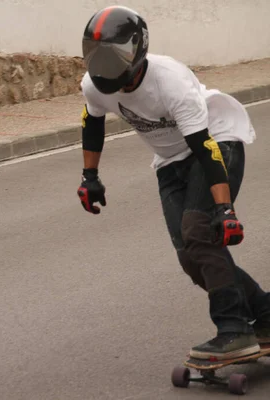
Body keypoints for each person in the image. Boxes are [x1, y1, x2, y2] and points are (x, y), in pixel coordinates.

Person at [76, 5, 270, 360]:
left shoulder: (171, 81)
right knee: (190, 257)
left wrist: (224, 209)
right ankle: (266, 313)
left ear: (137, 49)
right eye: (97, 54)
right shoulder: (94, 85)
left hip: (216, 142)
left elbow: (205, 147)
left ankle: (233, 329)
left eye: (115, 55)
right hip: (169, 161)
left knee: (200, 233)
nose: (105, 65)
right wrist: (90, 176)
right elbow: (92, 122)